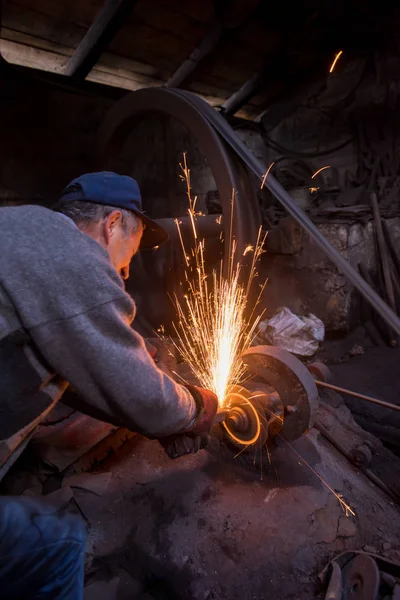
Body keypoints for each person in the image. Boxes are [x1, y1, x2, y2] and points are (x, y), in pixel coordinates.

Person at [0, 171, 218, 599]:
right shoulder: (73, 257)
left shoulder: (18, 227)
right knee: (59, 545)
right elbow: (141, 395)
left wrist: (147, 416)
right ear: (113, 222)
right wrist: (196, 407)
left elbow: (79, 371)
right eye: (130, 253)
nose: (127, 269)